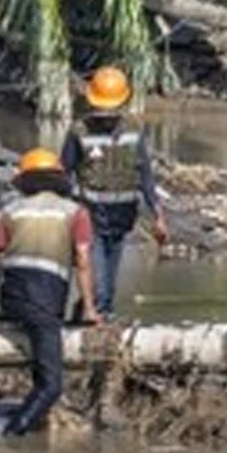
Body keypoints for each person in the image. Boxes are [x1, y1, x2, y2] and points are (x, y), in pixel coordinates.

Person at [0, 148, 100, 437]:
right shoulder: (75, 212)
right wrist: (89, 308)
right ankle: (12, 435)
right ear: (59, 180)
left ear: (25, 181)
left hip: (11, 300)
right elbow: (83, 261)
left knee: (40, 371)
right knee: (51, 386)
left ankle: (36, 424)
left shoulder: (10, 211)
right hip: (45, 302)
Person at [61, 67, 167, 320]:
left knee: (111, 266)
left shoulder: (134, 129)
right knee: (97, 269)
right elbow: (64, 172)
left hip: (123, 213)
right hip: (91, 213)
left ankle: (100, 309)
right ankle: (98, 311)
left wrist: (158, 214)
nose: (106, 115)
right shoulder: (79, 131)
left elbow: (145, 174)